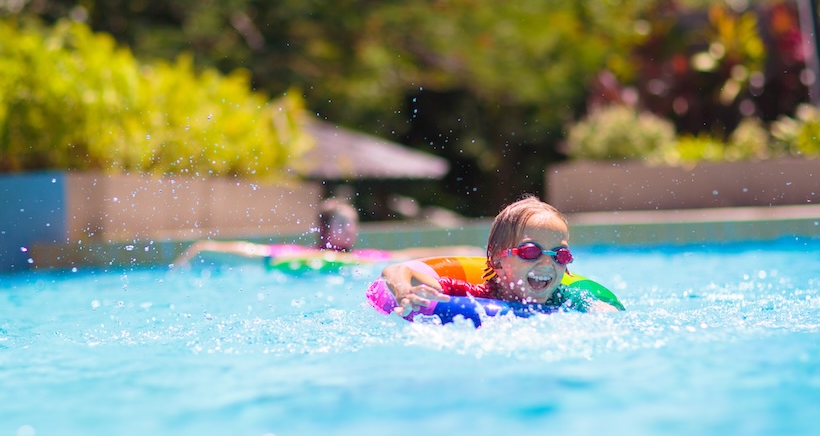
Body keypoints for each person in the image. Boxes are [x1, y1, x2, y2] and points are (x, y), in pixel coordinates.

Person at [380, 195, 623, 317]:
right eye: (531, 251)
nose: (547, 262)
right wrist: (404, 290)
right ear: (498, 261)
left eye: (560, 254)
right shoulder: (475, 295)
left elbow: (605, 313)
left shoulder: (565, 298)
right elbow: (397, 271)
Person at [174, 197, 480, 267]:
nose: (350, 231)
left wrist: (461, 252)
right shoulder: (299, 255)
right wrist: (204, 247)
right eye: (342, 225)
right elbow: (254, 252)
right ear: (323, 229)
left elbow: (404, 256)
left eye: (353, 224)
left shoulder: (363, 257)